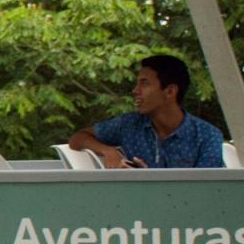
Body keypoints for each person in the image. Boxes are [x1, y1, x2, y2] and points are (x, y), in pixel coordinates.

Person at [68, 53, 226, 169]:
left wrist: (147, 179)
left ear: (170, 91)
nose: (135, 90)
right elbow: (77, 138)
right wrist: (108, 151)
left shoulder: (207, 136)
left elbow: (206, 192)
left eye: (144, 84)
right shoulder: (129, 124)